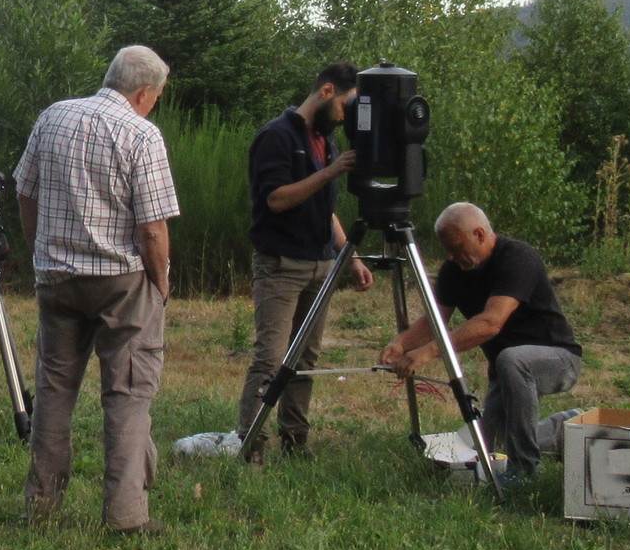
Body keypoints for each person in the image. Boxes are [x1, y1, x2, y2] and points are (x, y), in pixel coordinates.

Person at [13, 46, 181, 535]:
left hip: (57, 278)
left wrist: (39, 250)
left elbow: (25, 191)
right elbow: (152, 230)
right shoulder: (141, 134)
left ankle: (42, 506)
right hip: (120, 283)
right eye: (157, 97)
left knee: (54, 389)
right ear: (144, 92)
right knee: (127, 394)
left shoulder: (54, 116)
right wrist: (161, 282)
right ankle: (126, 517)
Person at [380, 202, 583, 485]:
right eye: (447, 249)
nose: (451, 256)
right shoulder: (454, 269)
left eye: (456, 247)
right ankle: (560, 432)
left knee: (512, 359)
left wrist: (429, 351)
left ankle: (524, 471)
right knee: (488, 445)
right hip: (506, 369)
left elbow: (491, 323)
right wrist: (400, 344)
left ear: (479, 234)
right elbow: (433, 320)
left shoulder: (518, 258)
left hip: (558, 359)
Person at [237, 62, 374, 456]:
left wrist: (350, 256)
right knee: (271, 358)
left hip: (321, 264)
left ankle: (295, 440)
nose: (346, 116)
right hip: (281, 264)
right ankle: (252, 442)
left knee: (305, 358)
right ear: (327, 91)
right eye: (346, 105)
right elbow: (276, 199)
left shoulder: (326, 140)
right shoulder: (276, 136)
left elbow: (326, 208)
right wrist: (330, 172)